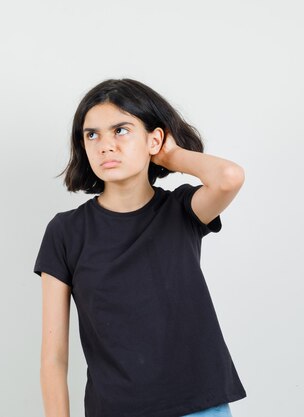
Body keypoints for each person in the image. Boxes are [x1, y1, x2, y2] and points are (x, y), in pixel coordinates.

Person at [33, 78, 247, 417]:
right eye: (92, 135)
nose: (105, 146)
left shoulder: (183, 211)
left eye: (120, 130)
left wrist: (173, 155)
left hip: (199, 407)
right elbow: (54, 358)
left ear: (154, 138)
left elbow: (229, 177)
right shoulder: (66, 231)